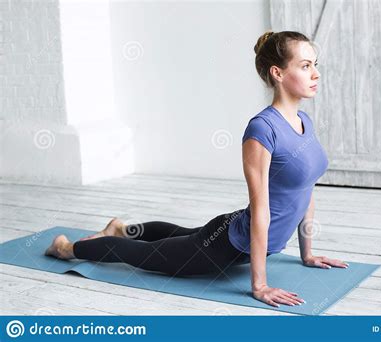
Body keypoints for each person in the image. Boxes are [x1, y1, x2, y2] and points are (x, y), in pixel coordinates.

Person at [45, 30, 349, 309]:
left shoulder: (304, 123)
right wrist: (260, 285)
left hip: (238, 235)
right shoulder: (262, 129)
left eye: (315, 64)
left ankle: (122, 228)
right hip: (226, 246)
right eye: (306, 65)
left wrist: (307, 254)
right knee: (145, 255)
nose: (316, 74)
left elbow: (305, 188)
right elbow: (261, 211)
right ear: (278, 72)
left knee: (185, 235)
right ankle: (66, 249)